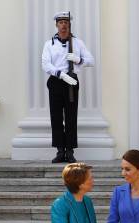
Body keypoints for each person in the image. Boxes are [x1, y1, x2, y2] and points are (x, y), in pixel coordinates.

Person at [42, 12, 95, 164]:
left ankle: (70, 151)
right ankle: (60, 150)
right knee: (56, 117)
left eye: (66, 22)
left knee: (71, 117)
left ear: (69, 24)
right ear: (56, 25)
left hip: (72, 82)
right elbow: (45, 64)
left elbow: (91, 61)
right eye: (61, 22)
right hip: (56, 80)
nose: (63, 25)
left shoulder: (77, 43)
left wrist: (79, 60)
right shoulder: (49, 44)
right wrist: (60, 74)